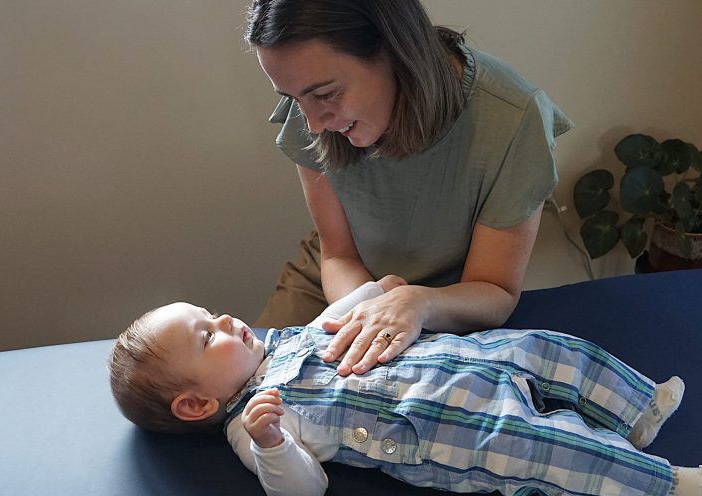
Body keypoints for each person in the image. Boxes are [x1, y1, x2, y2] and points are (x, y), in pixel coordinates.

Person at [109, 278, 702, 496]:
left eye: (211, 313)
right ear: (197, 404)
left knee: (548, 347)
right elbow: (304, 489)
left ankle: (634, 407)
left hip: (468, 356)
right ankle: (665, 485)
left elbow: (347, 316)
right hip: (450, 427)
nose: (226, 320)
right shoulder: (255, 423)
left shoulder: (289, 340)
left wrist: (381, 291)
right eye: (207, 335)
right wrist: (274, 443)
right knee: (550, 448)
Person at [244, 0, 574, 377]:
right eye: (293, 99)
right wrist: (367, 311)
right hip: (338, 287)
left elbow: (494, 290)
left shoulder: (512, 117)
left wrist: (415, 304)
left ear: (394, 50)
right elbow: (337, 255)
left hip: (449, 305)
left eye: (325, 95)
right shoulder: (311, 96)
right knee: (241, 390)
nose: (313, 124)